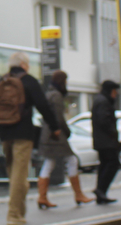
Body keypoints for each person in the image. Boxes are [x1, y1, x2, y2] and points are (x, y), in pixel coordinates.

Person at [0, 52, 61, 225]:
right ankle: (14, 215)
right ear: (24, 65)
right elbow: (43, 106)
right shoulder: (29, 81)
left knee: (14, 173)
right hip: (23, 134)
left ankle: (20, 212)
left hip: (4, 132)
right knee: (19, 174)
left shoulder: (0, 82)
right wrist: (55, 127)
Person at [35, 71, 93, 209]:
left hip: (47, 134)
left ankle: (42, 197)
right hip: (56, 135)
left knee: (49, 163)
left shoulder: (49, 94)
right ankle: (78, 194)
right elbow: (59, 118)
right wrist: (66, 132)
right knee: (71, 160)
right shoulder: (57, 96)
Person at [92, 80, 121, 205]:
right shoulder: (104, 102)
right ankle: (101, 190)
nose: (116, 94)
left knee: (104, 165)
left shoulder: (100, 100)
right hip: (107, 141)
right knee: (112, 164)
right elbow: (104, 121)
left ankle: (101, 192)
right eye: (114, 91)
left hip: (102, 141)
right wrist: (113, 134)